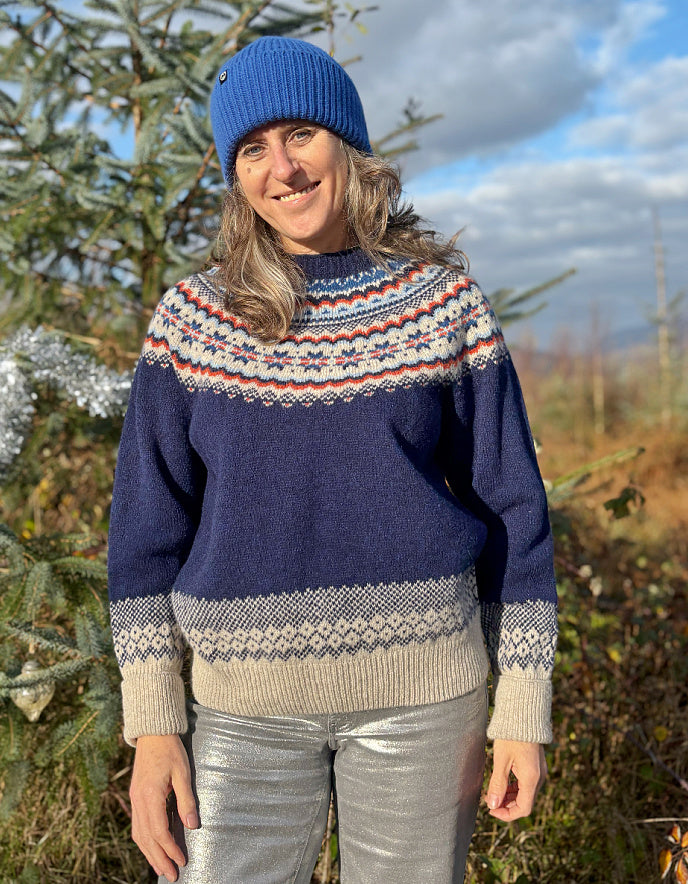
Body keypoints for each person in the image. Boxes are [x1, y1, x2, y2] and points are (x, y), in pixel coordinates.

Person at [108, 35, 557, 884]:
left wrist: (523, 710)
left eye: (300, 135)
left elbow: (514, 509)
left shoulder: (442, 302)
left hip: (425, 703)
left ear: (345, 144)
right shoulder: (192, 322)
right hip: (239, 714)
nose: (282, 167)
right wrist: (154, 723)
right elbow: (145, 531)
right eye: (251, 150)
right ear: (236, 177)